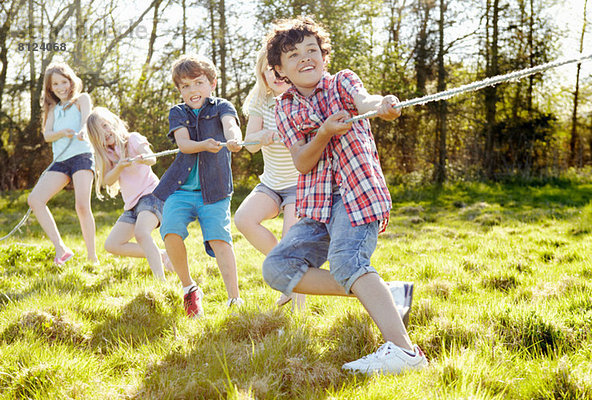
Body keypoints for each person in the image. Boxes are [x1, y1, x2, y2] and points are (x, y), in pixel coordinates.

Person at [262, 16, 427, 375]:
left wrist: (381, 104)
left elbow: (364, 101)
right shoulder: (285, 107)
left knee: (347, 262)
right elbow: (302, 163)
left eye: (312, 50)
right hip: (317, 206)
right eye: (293, 55)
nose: (306, 58)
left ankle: (406, 353)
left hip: (358, 194)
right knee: (276, 268)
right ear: (280, 70)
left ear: (324, 55)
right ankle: (386, 293)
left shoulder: (342, 82)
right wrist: (322, 133)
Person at [153, 55, 243, 317]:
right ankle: (189, 288)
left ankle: (234, 299)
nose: (193, 90)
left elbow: (230, 125)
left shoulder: (222, 106)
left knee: (220, 240)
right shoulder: (178, 112)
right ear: (179, 90)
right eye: (185, 86)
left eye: (198, 83)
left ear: (212, 83)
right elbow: (183, 143)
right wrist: (204, 144)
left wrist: (234, 139)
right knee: (170, 230)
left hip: (214, 190)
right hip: (179, 189)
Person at [234, 46, 306, 311]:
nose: (276, 75)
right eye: (270, 70)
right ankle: (284, 270)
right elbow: (250, 144)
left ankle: (300, 310)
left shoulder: (301, 98)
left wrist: (289, 138)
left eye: (280, 70)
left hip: (299, 185)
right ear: (262, 74)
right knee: (243, 219)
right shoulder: (260, 102)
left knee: (292, 241)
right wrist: (259, 137)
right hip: (271, 184)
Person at [86, 107, 173, 281]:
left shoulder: (132, 139)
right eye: (99, 132)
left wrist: (142, 157)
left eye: (105, 125)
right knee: (112, 244)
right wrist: (119, 166)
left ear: (112, 123)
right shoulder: (107, 154)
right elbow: (107, 181)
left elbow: (152, 158)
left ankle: (160, 282)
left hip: (152, 196)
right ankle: (162, 255)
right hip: (132, 206)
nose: (105, 132)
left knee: (142, 233)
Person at [27, 62, 98, 265]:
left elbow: (87, 120)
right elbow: (47, 135)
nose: (60, 87)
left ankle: (92, 257)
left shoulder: (81, 99)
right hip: (60, 161)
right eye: (55, 84)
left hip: (82, 156)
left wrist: (84, 131)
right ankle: (61, 248)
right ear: (50, 88)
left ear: (71, 80)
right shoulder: (52, 108)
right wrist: (62, 133)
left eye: (63, 82)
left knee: (82, 206)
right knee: (35, 199)